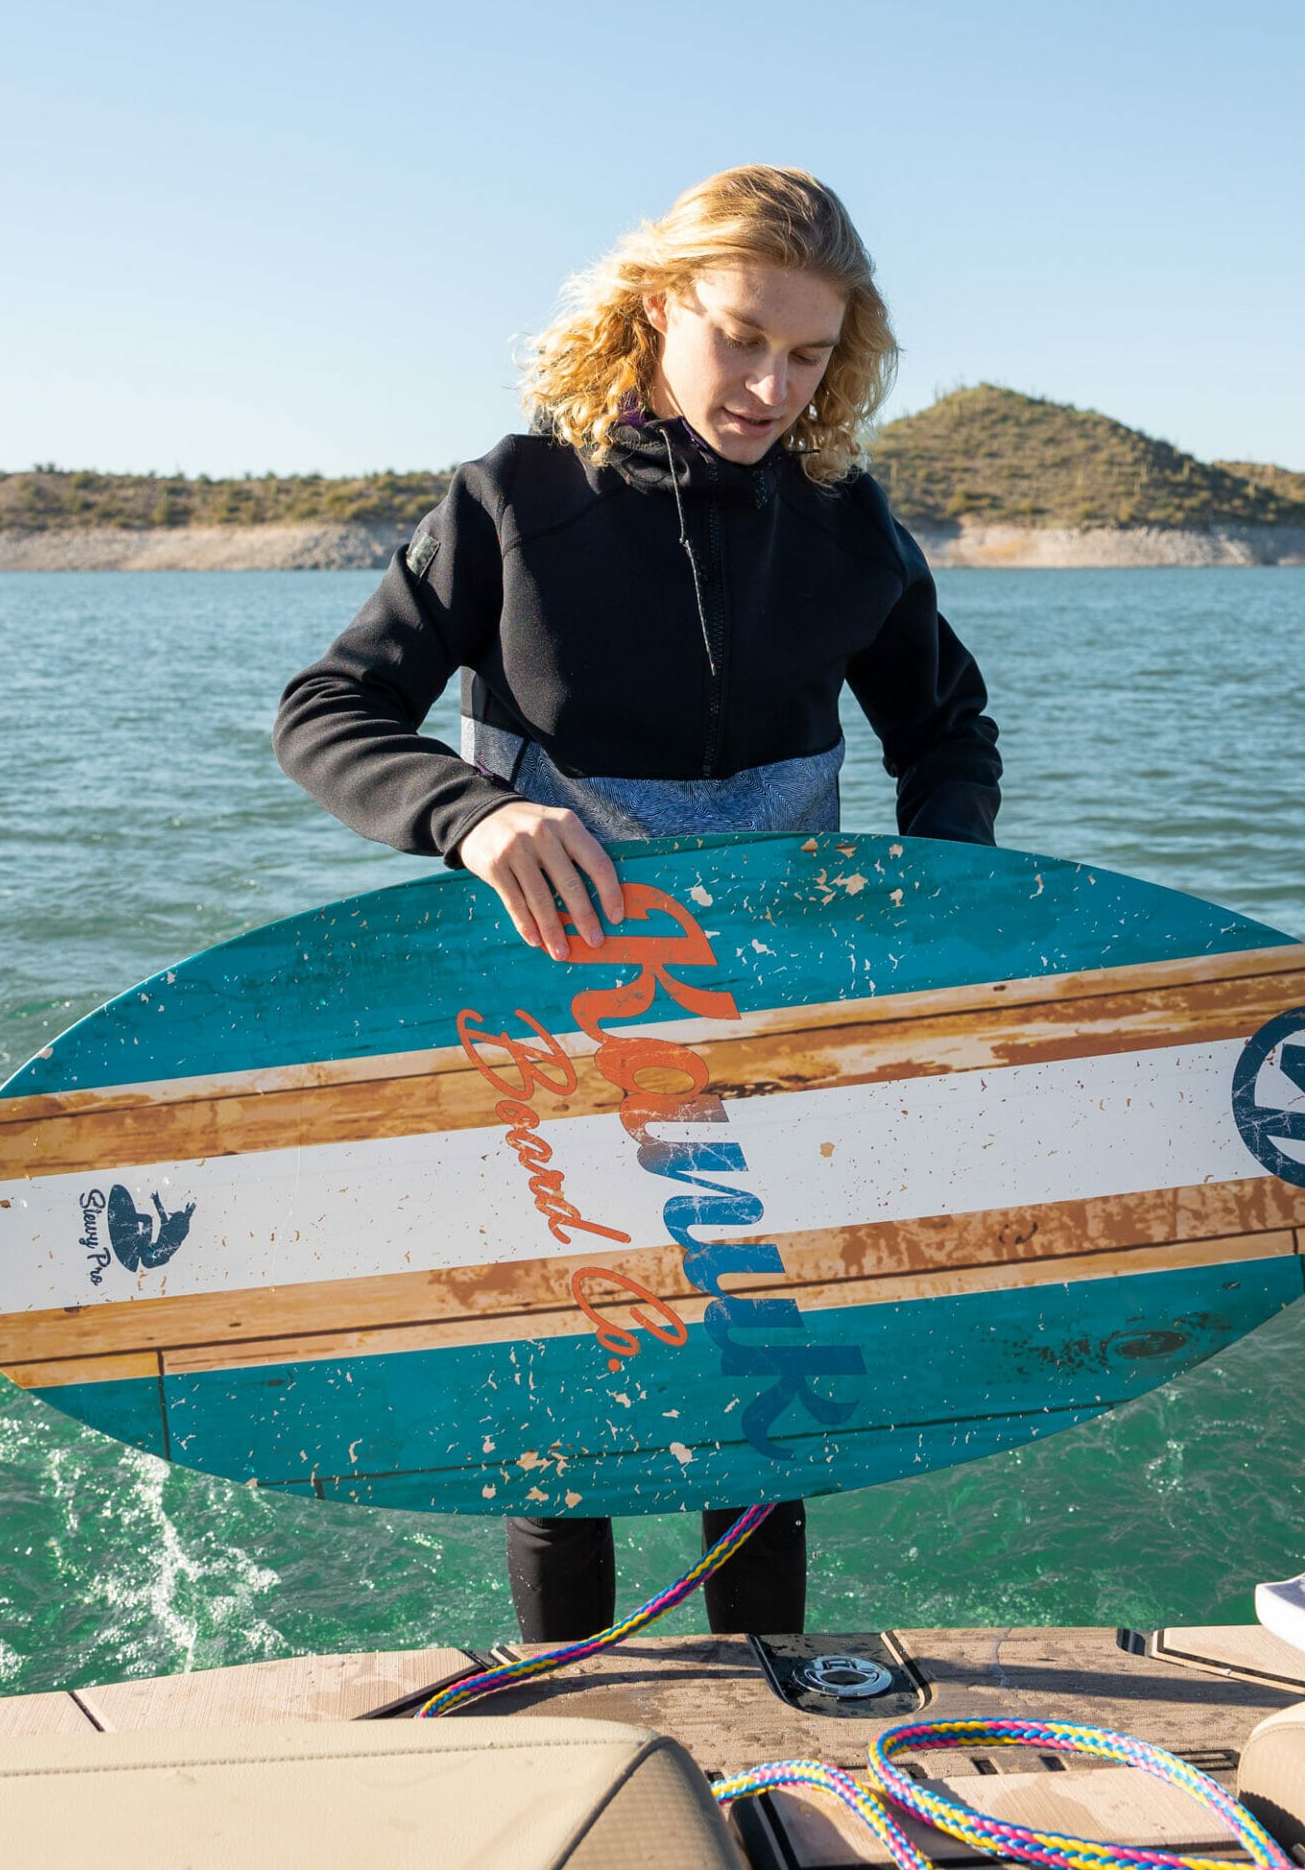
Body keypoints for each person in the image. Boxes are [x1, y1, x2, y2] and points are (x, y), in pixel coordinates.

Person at [274, 164, 1001, 1641]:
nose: (771, 385)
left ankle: (762, 1714)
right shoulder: (515, 505)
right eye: (742, 336)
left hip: (764, 1032)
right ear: (662, 304)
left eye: (808, 355)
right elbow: (327, 711)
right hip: (554, 1027)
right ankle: (572, 1727)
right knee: (570, 1418)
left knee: (760, 1411)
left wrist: (936, 890)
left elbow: (948, 734)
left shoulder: (846, 528)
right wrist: (471, 815)